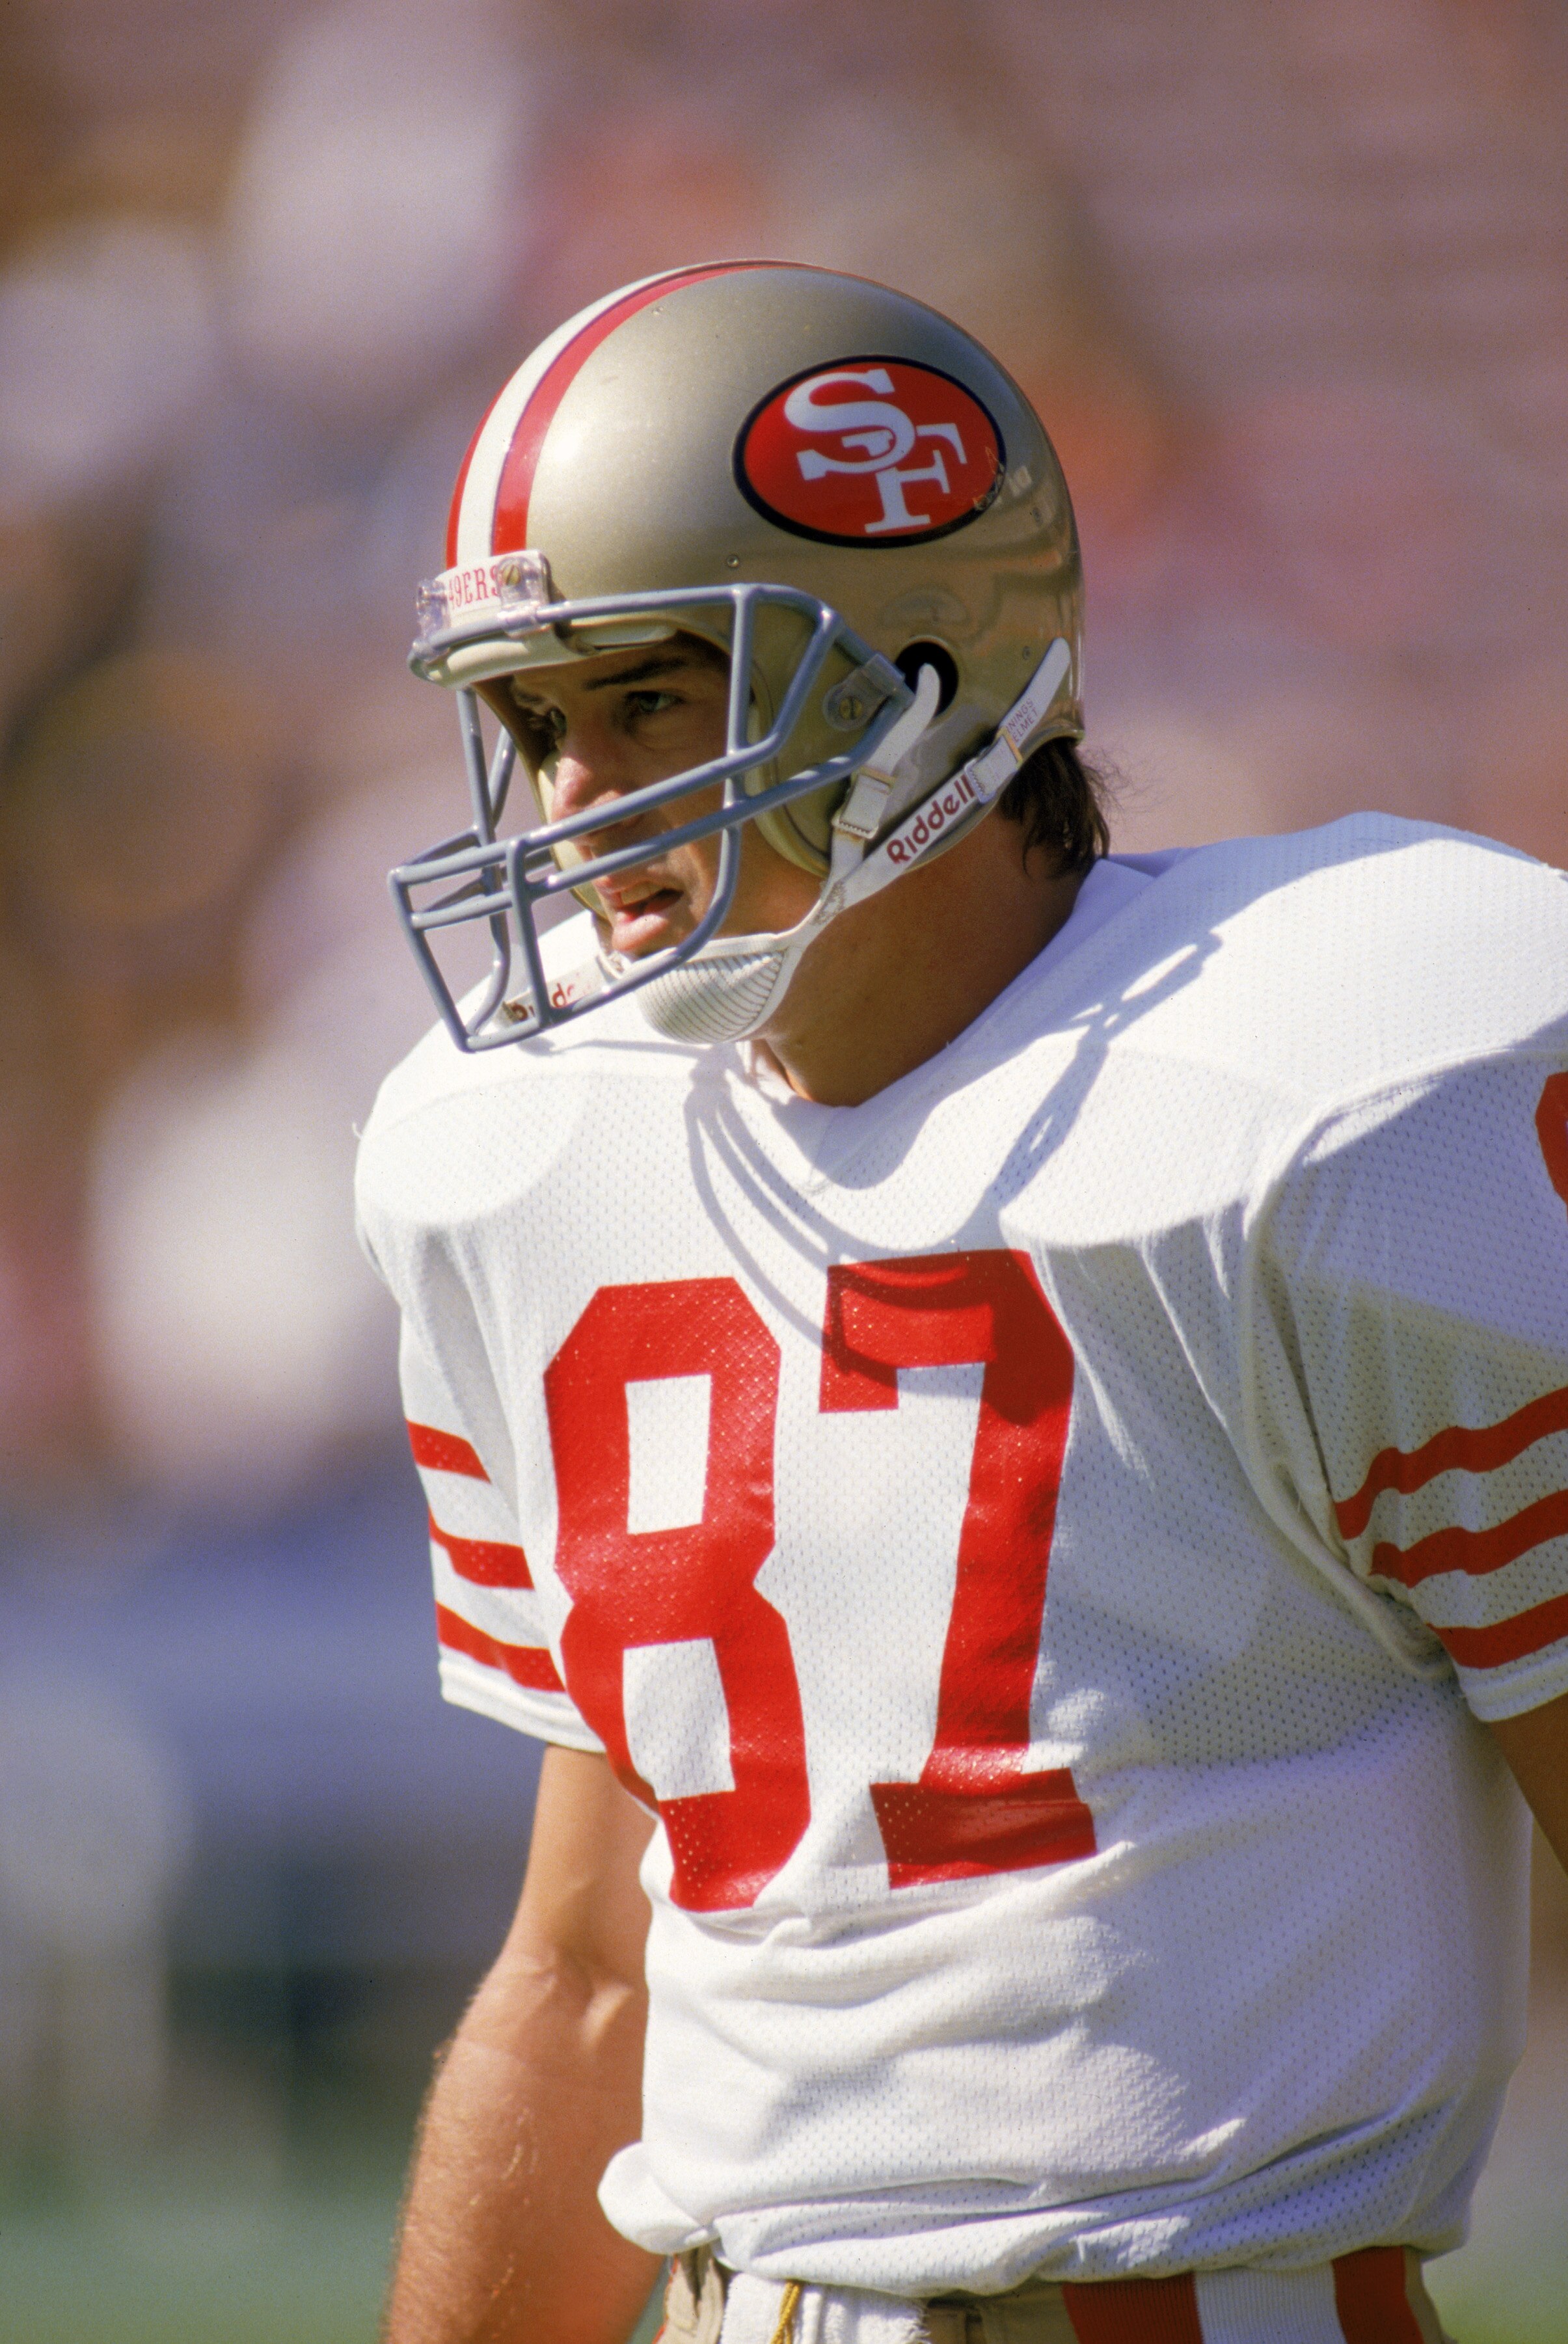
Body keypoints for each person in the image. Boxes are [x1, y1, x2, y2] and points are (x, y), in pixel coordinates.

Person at [355, 263, 1568, 2344]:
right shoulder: (523, 1154)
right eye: (536, 722)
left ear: (912, 677)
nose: (572, 802)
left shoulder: (1342, 1098)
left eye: (650, 698)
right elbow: (593, 1970)